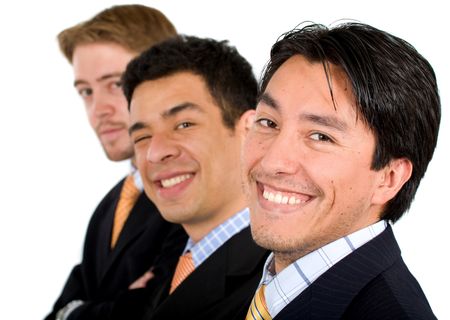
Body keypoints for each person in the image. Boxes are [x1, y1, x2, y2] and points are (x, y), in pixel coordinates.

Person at [242, 22, 439, 319]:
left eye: (321, 136)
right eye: (268, 123)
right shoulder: (267, 282)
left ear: (389, 178)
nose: (272, 162)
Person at [45, 5, 180, 320]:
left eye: (115, 84)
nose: (98, 109)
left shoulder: (198, 196)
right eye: (86, 91)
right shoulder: (109, 207)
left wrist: (77, 311)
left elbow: (149, 312)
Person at [121, 35, 269, 320]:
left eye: (183, 124)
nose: (155, 153)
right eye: (142, 136)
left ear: (249, 129)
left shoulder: (275, 281)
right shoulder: (165, 257)